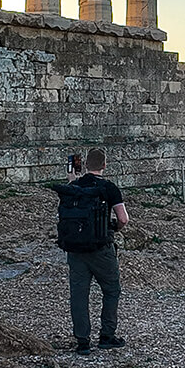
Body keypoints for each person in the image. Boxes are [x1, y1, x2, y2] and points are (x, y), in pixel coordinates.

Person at [54, 148, 128, 354]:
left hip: (75, 248)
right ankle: (107, 336)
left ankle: (82, 341)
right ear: (104, 165)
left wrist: (72, 179)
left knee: (79, 294)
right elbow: (123, 219)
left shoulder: (73, 187)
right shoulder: (109, 188)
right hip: (101, 247)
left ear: (85, 164)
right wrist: (113, 228)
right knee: (111, 290)